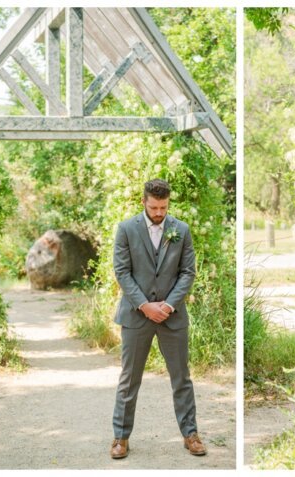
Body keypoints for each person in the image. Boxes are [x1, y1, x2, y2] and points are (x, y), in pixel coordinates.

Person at [110, 179, 206, 459]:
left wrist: (168, 305)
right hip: (135, 316)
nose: (159, 213)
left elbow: (188, 272)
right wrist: (144, 305)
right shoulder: (126, 229)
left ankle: (191, 434)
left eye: (163, 207)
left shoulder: (182, 230)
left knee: (182, 378)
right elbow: (122, 271)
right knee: (129, 379)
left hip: (172, 317)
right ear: (144, 202)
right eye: (154, 207)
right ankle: (120, 437)